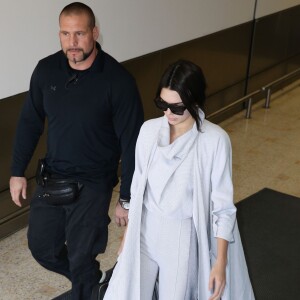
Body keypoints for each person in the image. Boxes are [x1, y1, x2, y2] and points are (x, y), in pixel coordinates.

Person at [9, 2, 143, 300]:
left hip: (94, 183)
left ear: (95, 33)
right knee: (42, 247)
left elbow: (132, 142)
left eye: (80, 34)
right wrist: (17, 171)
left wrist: (127, 198)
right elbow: (30, 122)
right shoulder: (46, 71)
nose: (72, 43)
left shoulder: (118, 81)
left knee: (83, 256)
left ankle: (86, 285)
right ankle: (93, 282)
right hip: (54, 176)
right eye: (65, 34)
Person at [104, 60, 255, 300]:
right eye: (162, 104)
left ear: (194, 101)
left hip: (180, 237)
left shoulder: (214, 141)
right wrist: (127, 238)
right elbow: (138, 190)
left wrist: (220, 264)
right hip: (144, 231)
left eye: (177, 107)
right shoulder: (149, 131)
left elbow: (223, 208)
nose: (168, 113)